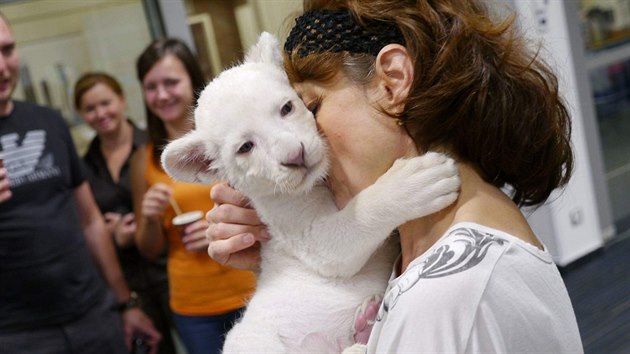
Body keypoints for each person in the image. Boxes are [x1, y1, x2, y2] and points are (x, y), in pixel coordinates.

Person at [205, 0, 584, 352]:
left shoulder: (445, 295)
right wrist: (287, 258)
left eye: (309, 107)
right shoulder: (427, 246)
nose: (298, 145)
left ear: (394, 80)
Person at [0, 11, 161, 354]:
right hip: (15, 334)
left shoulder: (49, 121)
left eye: (8, 50)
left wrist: (125, 303)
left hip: (92, 314)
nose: (2, 66)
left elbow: (90, 222)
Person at [130, 38, 257, 354]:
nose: (161, 95)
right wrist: (148, 218)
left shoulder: (233, 141)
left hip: (253, 287)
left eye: (171, 82)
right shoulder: (143, 159)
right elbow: (149, 248)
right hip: (193, 305)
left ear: (192, 80)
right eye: (151, 87)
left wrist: (220, 227)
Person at [74, 72, 177, 354]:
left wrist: (140, 226)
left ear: (121, 100)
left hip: (171, 270)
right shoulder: (84, 167)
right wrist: (112, 232)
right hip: (130, 286)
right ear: (81, 114)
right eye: (90, 108)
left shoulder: (155, 148)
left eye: (105, 103)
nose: (100, 113)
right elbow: (87, 221)